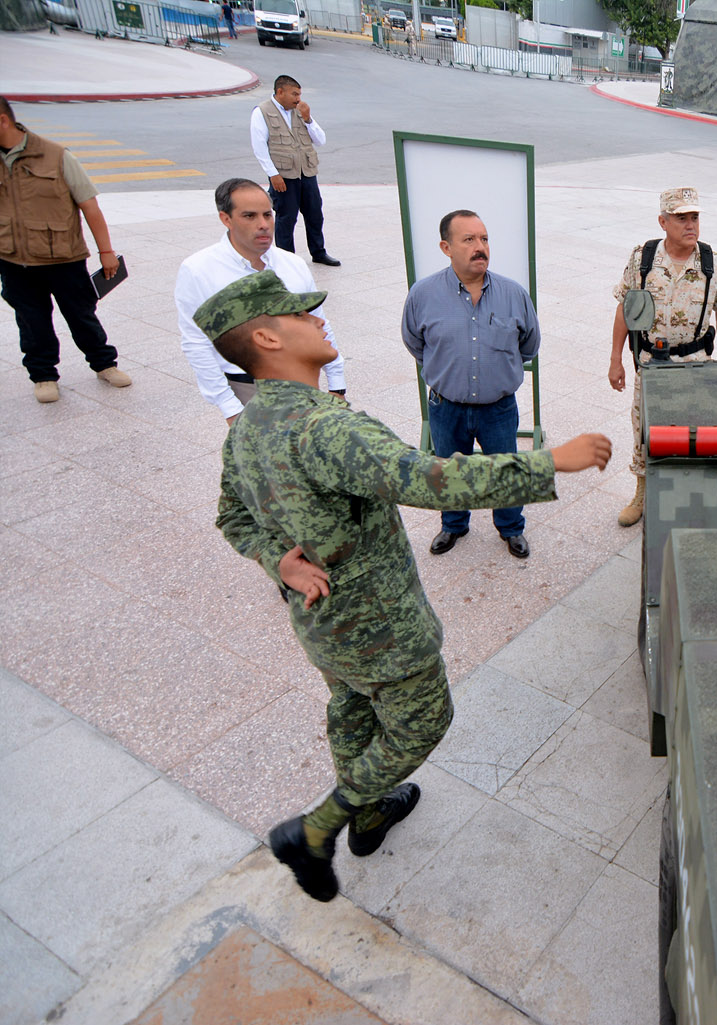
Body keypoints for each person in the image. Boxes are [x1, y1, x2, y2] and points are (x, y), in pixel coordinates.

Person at [201, 270, 610, 903]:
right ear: (265, 337)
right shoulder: (325, 427)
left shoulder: (250, 426)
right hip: (382, 628)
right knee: (422, 722)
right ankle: (318, 829)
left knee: (353, 709)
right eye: (303, 317)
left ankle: (368, 819)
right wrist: (549, 460)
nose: (320, 321)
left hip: (322, 625)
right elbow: (429, 479)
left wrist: (278, 560)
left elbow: (231, 516)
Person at [402, 210, 540, 558]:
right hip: (446, 407)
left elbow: (530, 345)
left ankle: (510, 529)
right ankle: (453, 526)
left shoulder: (513, 294)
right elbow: (414, 343)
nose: (480, 247)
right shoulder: (423, 294)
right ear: (446, 247)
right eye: (469, 240)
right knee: (449, 471)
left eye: (484, 239)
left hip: (499, 408)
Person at [607, 187, 717, 527]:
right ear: (663, 221)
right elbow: (624, 307)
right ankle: (641, 494)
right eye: (681, 218)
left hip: (695, 366)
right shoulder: (643, 258)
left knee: (693, 434)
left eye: (694, 217)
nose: (690, 225)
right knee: (645, 431)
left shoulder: (714, 263)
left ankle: (685, 498)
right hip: (651, 364)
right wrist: (615, 360)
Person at [177, 178, 346, 423]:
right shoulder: (198, 270)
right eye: (250, 216)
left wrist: (337, 384)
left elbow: (320, 322)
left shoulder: (293, 264)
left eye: (268, 215)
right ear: (226, 219)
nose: (263, 225)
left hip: (304, 382)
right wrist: (230, 408)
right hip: (247, 389)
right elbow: (196, 342)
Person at [0, 95, 131, 404]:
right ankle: (43, 375)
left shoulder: (55, 156)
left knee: (81, 315)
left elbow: (90, 206)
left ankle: (104, 364)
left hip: (63, 256)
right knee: (31, 321)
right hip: (13, 258)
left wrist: (106, 252)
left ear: (2, 121)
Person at [251, 75, 340, 267]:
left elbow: (320, 140)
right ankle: (286, 259)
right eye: (294, 94)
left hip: (307, 173)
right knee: (286, 218)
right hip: (284, 176)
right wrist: (273, 174)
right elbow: (259, 147)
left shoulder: (300, 111)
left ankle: (318, 252)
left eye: (299, 94)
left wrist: (308, 119)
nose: (298, 98)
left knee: (315, 214)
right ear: (280, 92)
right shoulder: (262, 112)